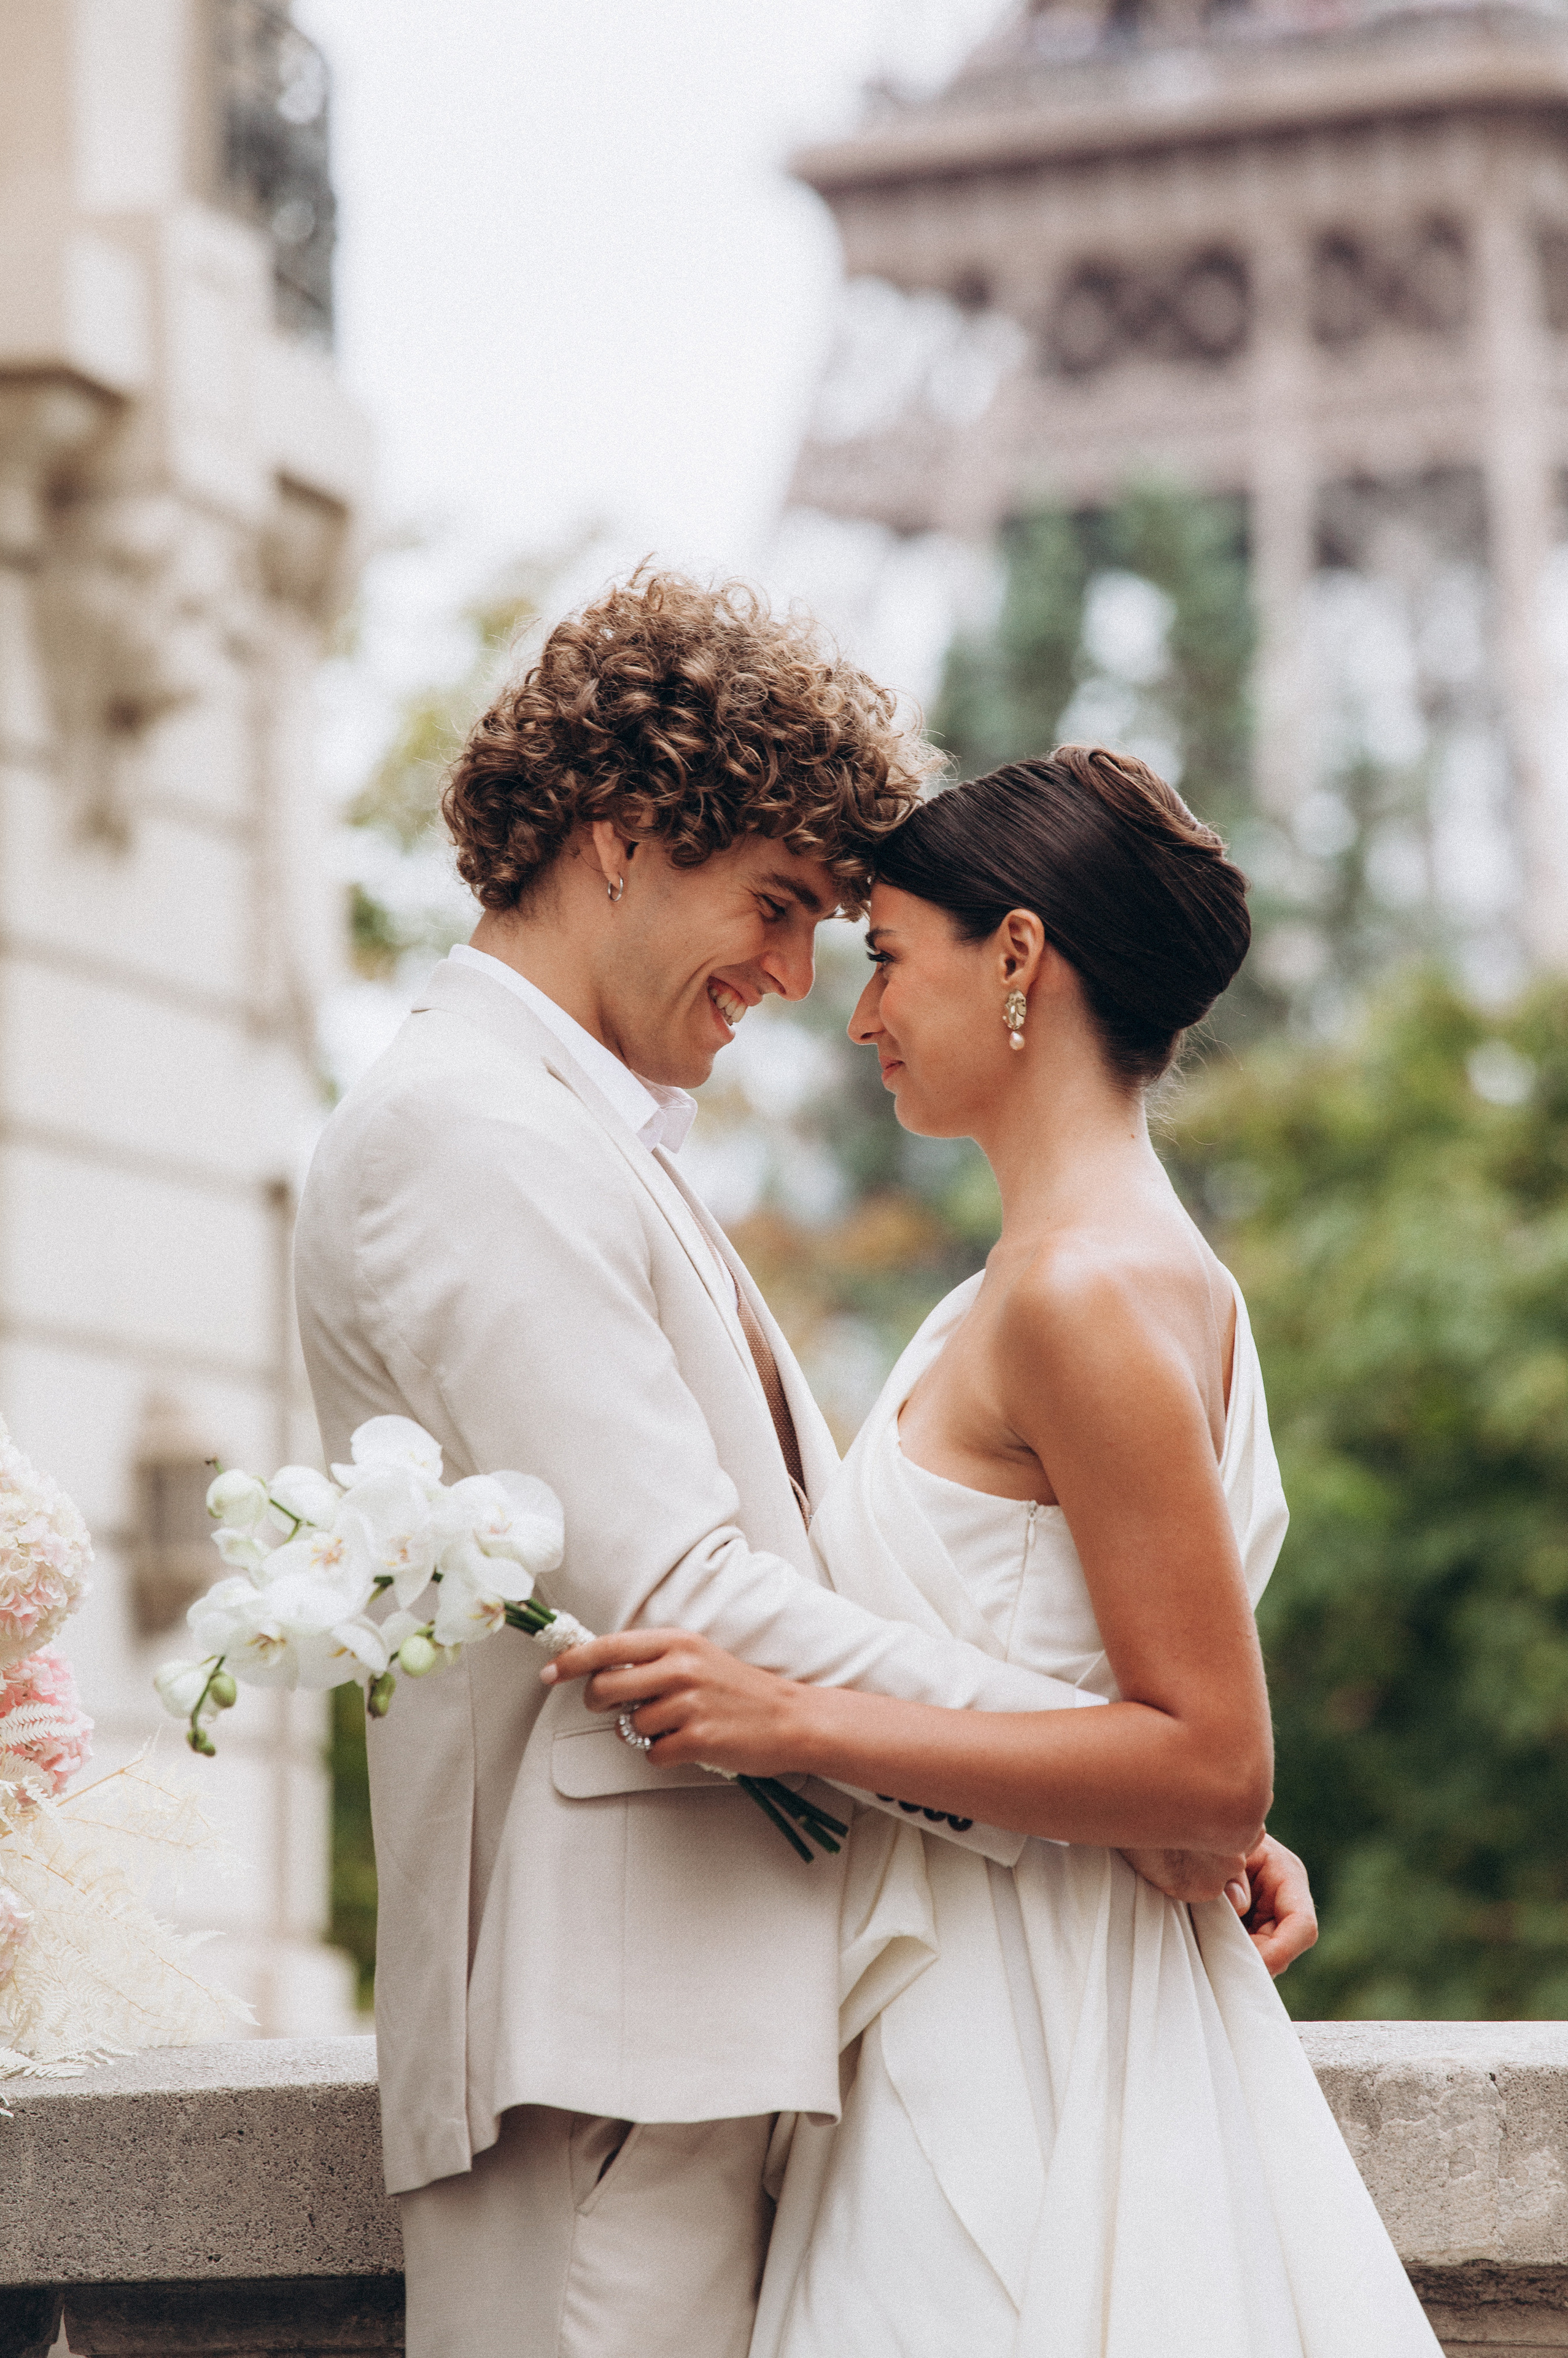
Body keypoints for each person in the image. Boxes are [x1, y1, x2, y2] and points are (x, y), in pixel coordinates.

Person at [295, 578, 1316, 2358]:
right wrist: (1127, 1785)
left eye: (832, 929)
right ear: (620, 841)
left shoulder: (585, 1134)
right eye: (776, 907)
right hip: (606, 2063)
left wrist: (1140, 1773)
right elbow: (684, 1591)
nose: (797, 978)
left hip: (718, 2041)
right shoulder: (471, 1131)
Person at [547, 749, 1440, 2357]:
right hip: (1013, 1984)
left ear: (1018, 956)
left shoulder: (1077, 1295)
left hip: (1023, 2037)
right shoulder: (1105, 1282)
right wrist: (1150, 1796)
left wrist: (791, 1719)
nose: (859, 1008)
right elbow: (1125, 1699)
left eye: (888, 953)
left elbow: (1210, 1762)